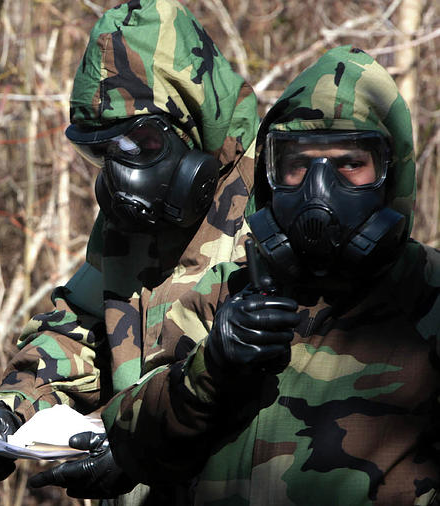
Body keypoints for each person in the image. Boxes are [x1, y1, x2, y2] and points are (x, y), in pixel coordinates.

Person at [101, 45, 440, 504]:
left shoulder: (430, 296)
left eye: (350, 164)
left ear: (392, 174)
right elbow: (135, 448)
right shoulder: (224, 291)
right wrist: (210, 369)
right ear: (267, 175)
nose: (320, 190)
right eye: (298, 164)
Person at [0, 0, 258, 501]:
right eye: (102, 152)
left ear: (193, 118)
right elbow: (83, 325)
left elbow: (286, 379)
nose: (122, 175)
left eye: (140, 145)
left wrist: (140, 450)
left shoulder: (280, 197)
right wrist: (12, 407)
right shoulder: (133, 215)